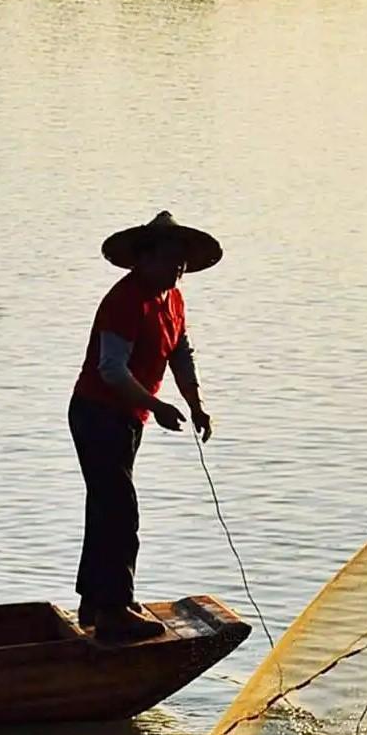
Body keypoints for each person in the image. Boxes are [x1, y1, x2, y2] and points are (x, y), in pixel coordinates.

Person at [69, 211, 220, 640]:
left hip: (127, 417)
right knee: (118, 508)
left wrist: (196, 405)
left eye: (182, 261)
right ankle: (114, 608)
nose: (177, 268)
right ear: (144, 258)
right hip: (97, 412)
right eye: (170, 257)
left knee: (106, 508)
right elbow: (112, 369)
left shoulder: (172, 300)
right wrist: (156, 404)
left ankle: (99, 601)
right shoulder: (126, 299)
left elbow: (180, 352)